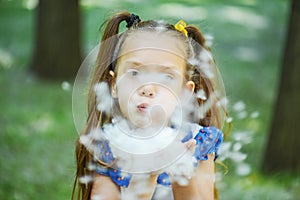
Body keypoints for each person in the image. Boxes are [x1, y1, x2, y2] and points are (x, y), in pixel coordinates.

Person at [72, 11, 229, 200]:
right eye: (134, 73)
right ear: (114, 86)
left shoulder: (197, 142)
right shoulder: (107, 148)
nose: (148, 88)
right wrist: (143, 184)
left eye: (166, 77)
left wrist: (181, 172)